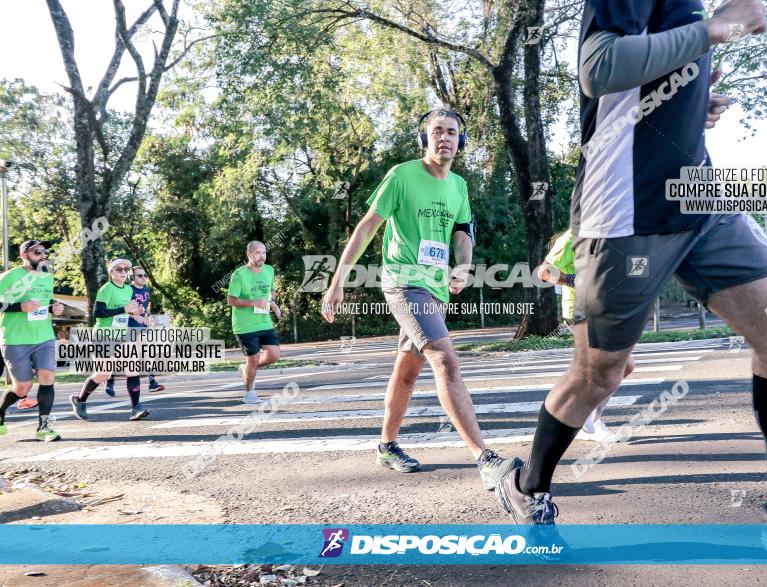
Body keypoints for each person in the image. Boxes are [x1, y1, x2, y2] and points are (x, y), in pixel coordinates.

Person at [498, 0, 767, 529]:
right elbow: (600, 68)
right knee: (602, 373)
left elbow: (644, 79)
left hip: (699, 195)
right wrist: (714, 30)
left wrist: (691, 100)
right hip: (627, 206)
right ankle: (527, 483)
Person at [321, 109, 520, 491]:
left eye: (452, 132)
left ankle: (387, 445)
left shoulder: (458, 186)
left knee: (408, 372)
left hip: (435, 287)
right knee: (445, 360)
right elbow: (366, 227)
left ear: (460, 141)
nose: (444, 138)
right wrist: (337, 281)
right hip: (403, 283)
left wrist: (463, 266)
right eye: (436, 132)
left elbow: (463, 233)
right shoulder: (402, 176)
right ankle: (485, 458)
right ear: (424, 138)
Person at [537, 229, 635, 442]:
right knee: (616, 366)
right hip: (580, 310)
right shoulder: (571, 238)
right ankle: (589, 420)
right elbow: (544, 272)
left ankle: (579, 418)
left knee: (620, 367)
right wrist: (573, 279)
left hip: (606, 310)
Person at [0, 240, 65, 441]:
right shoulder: (9, 277)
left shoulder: (47, 277)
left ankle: (44, 428)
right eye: (37, 252)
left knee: (47, 377)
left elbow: (44, 303)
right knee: (22, 388)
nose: (42, 255)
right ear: (24, 255)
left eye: (44, 251)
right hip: (15, 339)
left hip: (44, 336)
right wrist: (19, 306)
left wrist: (55, 308)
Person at [69, 258, 149, 421]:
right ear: (111, 273)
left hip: (122, 336)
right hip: (103, 337)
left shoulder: (128, 290)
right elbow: (97, 313)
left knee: (132, 368)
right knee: (103, 374)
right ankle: (80, 400)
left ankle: (136, 408)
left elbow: (126, 311)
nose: (123, 272)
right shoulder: (105, 290)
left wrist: (134, 312)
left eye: (125, 269)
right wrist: (124, 309)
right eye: (118, 269)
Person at [227, 241, 282, 405]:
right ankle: (250, 393)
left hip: (264, 322)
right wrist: (253, 302)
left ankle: (246, 370)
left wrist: (272, 302)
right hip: (245, 325)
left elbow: (271, 290)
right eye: (257, 253)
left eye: (264, 252)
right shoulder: (239, 274)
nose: (261, 256)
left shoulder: (269, 270)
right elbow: (231, 299)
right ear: (249, 254)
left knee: (274, 355)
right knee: (253, 358)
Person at [104, 266, 164, 396]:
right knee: (121, 357)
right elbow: (120, 308)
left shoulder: (147, 290)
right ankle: (109, 381)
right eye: (140, 276)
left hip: (142, 327)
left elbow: (145, 308)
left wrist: (149, 317)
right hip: (127, 326)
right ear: (132, 277)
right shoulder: (127, 290)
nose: (144, 278)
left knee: (149, 351)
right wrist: (133, 315)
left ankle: (152, 382)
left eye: (145, 276)